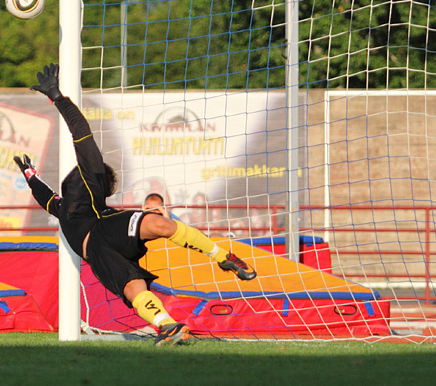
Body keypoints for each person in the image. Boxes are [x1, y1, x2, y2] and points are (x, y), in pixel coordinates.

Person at [14, 63, 256, 346]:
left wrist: (57, 97)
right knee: (132, 287)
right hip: (96, 252)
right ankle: (167, 326)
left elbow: (81, 132)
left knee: (157, 222)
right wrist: (30, 175)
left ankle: (222, 255)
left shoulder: (92, 176)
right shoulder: (64, 205)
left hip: (104, 228)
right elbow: (47, 198)